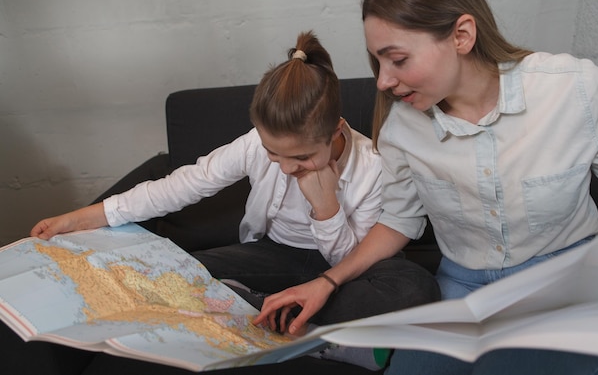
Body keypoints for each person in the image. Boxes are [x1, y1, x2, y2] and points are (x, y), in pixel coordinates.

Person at [254, 0, 598, 374]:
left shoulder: (575, 88)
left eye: (397, 59)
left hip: (563, 283)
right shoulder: (402, 128)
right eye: (378, 62)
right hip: (463, 287)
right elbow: (398, 221)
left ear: (462, 36)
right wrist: (327, 281)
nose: (382, 81)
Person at [10, 30, 439, 375]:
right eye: (276, 155)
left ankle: (253, 310)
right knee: (172, 273)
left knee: (413, 287)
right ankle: (273, 311)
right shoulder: (255, 145)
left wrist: (326, 208)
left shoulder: (373, 169)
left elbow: (347, 263)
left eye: (303, 158)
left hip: (340, 270)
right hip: (272, 257)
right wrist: (83, 216)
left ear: (336, 131)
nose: (287, 169)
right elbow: (181, 185)